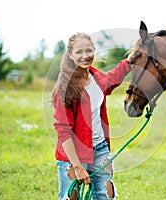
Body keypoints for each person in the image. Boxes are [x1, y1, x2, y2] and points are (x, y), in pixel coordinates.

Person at [52, 32, 132, 200]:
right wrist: (77, 166)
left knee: (106, 197)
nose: (85, 56)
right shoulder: (65, 87)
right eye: (79, 52)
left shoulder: (97, 78)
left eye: (89, 51)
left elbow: (114, 77)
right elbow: (63, 132)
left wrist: (133, 58)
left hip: (100, 150)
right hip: (72, 155)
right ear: (70, 55)